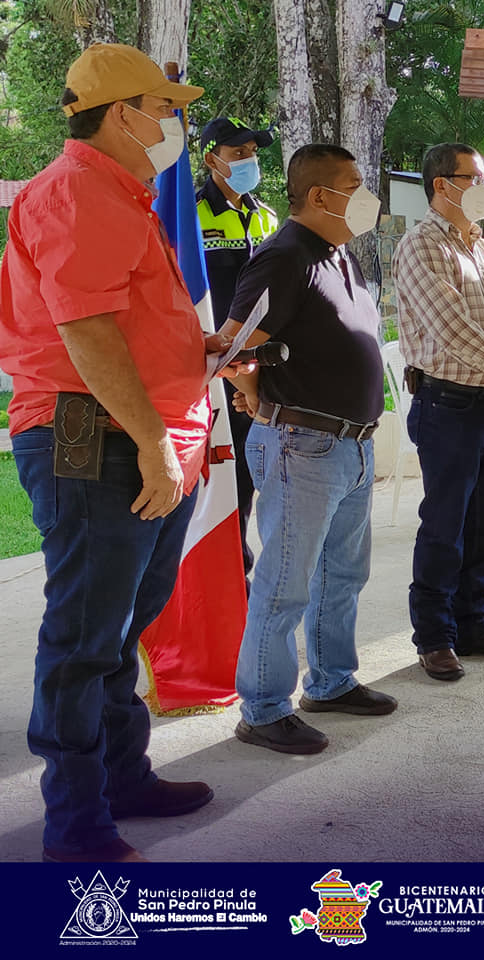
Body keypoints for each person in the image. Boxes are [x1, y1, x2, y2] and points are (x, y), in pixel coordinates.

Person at [0, 43, 224, 862]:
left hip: (133, 433)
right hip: (97, 435)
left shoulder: (116, 192)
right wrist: (156, 442)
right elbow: (85, 333)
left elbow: (119, 321)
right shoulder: (78, 190)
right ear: (123, 112)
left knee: (119, 626)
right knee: (85, 633)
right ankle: (75, 819)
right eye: (165, 107)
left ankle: (122, 777)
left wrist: (194, 347)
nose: (174, 122)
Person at [224, 144, 397, 755]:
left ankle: (330, 681)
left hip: (348, 447)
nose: (365, 193)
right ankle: (264, 708)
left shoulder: (338, 256)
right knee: (284, 582)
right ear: (321, 195)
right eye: (355, 183)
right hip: (303, 444)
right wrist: (256, 395)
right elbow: (233, 347)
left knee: (341, 574)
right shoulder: (283, 255)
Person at [392, 143, 484, 682]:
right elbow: (449, 327)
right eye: (473, 177)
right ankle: (435, 636)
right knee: (445, 527)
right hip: (448, 404)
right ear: (441, 186)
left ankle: (474, 623)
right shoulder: (422, 246)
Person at [196, 116, 279, 588]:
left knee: (257, 478)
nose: (250, 161)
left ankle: (251, 583)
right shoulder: (191, 217)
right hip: (209, 376)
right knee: (221, 484)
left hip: (258, 372)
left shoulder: (266, 216)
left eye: (253, 152)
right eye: (238, 153)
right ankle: (224, 585)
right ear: (212, 161)